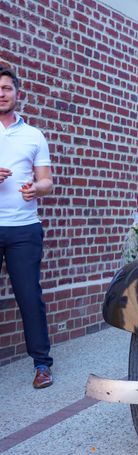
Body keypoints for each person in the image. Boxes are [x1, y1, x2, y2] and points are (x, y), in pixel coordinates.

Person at [0, 67, 55, 387]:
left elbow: (47, 179)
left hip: (24, 230)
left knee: (29, 298)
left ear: (17, 93)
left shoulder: (33, 135)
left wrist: (39, 188)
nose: (2, 93)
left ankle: (42, 365)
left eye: (7, 88)